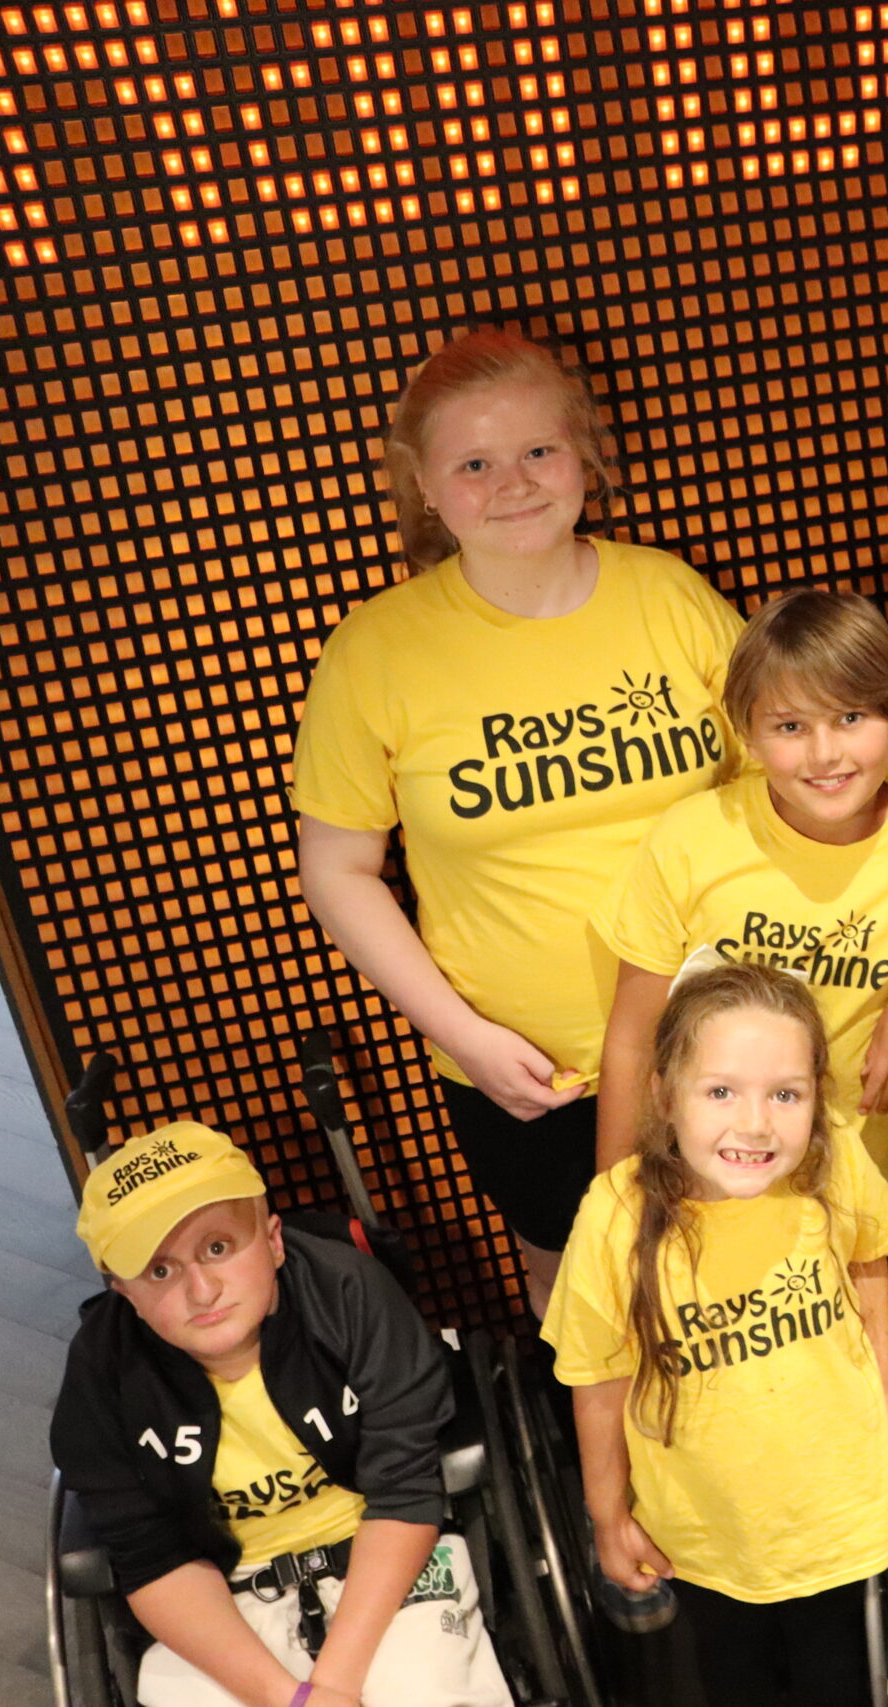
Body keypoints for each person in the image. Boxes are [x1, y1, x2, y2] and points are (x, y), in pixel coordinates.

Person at [295, 328, 744, 1314]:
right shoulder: (376, 651)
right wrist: (463, 1035)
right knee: (582, 1288)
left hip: (722, 1038)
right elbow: (337, 870)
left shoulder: (666, 593)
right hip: (533, 1073)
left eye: (538, 451)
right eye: (473, 463)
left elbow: (775, 790)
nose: (513, 483)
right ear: (423, 486)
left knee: (748, 1267)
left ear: (586, 453)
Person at [545, 960, 888, 1707]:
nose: (754, 1123)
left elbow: (867, 1258)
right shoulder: (614, 1215)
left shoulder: (833, 1160)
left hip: (830, 1511)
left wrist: (886, 1387)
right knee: (735, 1680)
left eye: (785, 1094)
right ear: (664, 1094)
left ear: (819, 1098)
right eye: (721, 1090)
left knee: (837, 1681)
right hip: (704, 1529)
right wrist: (607, 1512)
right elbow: (596, 1375)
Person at [49, 1122, 509, 1707]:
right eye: (160, 1271)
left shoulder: (349, 1293)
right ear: (124, 1293)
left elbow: (405, 1491)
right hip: (223, 1599)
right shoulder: (101, 1375)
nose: (202, 1290)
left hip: (385, 1558)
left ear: (272, 1241)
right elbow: (153, 1560)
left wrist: (334, 1684)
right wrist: (288, 1699)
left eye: (217, 1248)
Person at [594, 588, 888, 1191]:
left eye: (850, 718)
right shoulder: (690, 838)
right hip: (704, 1180)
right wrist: (616, 1207)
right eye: (791, 725)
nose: (825, 754)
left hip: (859, 1180)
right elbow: (633, 1040)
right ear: (748, 735)